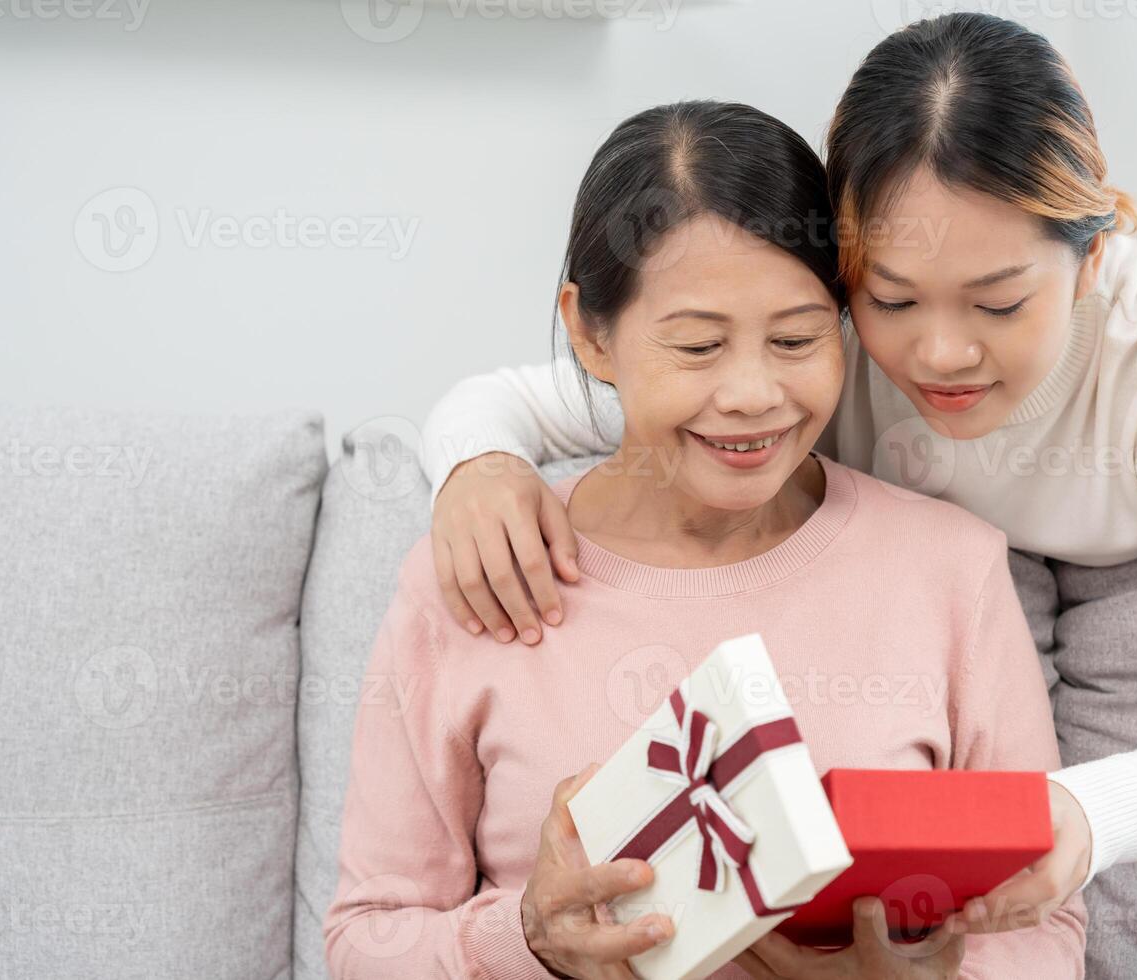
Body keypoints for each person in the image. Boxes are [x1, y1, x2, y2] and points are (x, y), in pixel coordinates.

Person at [416, 12, 1137, 933]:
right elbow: (518, 396)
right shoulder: (812, 352)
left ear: (1091, 262)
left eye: (998, 305)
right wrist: (476, 465)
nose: (939, 354)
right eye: (894, 298)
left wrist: (1077, 816)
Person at [325, 98, 1087, 980]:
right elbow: (364, 940)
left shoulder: (951, 570)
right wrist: (529, 942)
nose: (754, 394)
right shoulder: (478, 572)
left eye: (798, 338)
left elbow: (1042, 923)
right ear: (588, 331)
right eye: (697, 347)